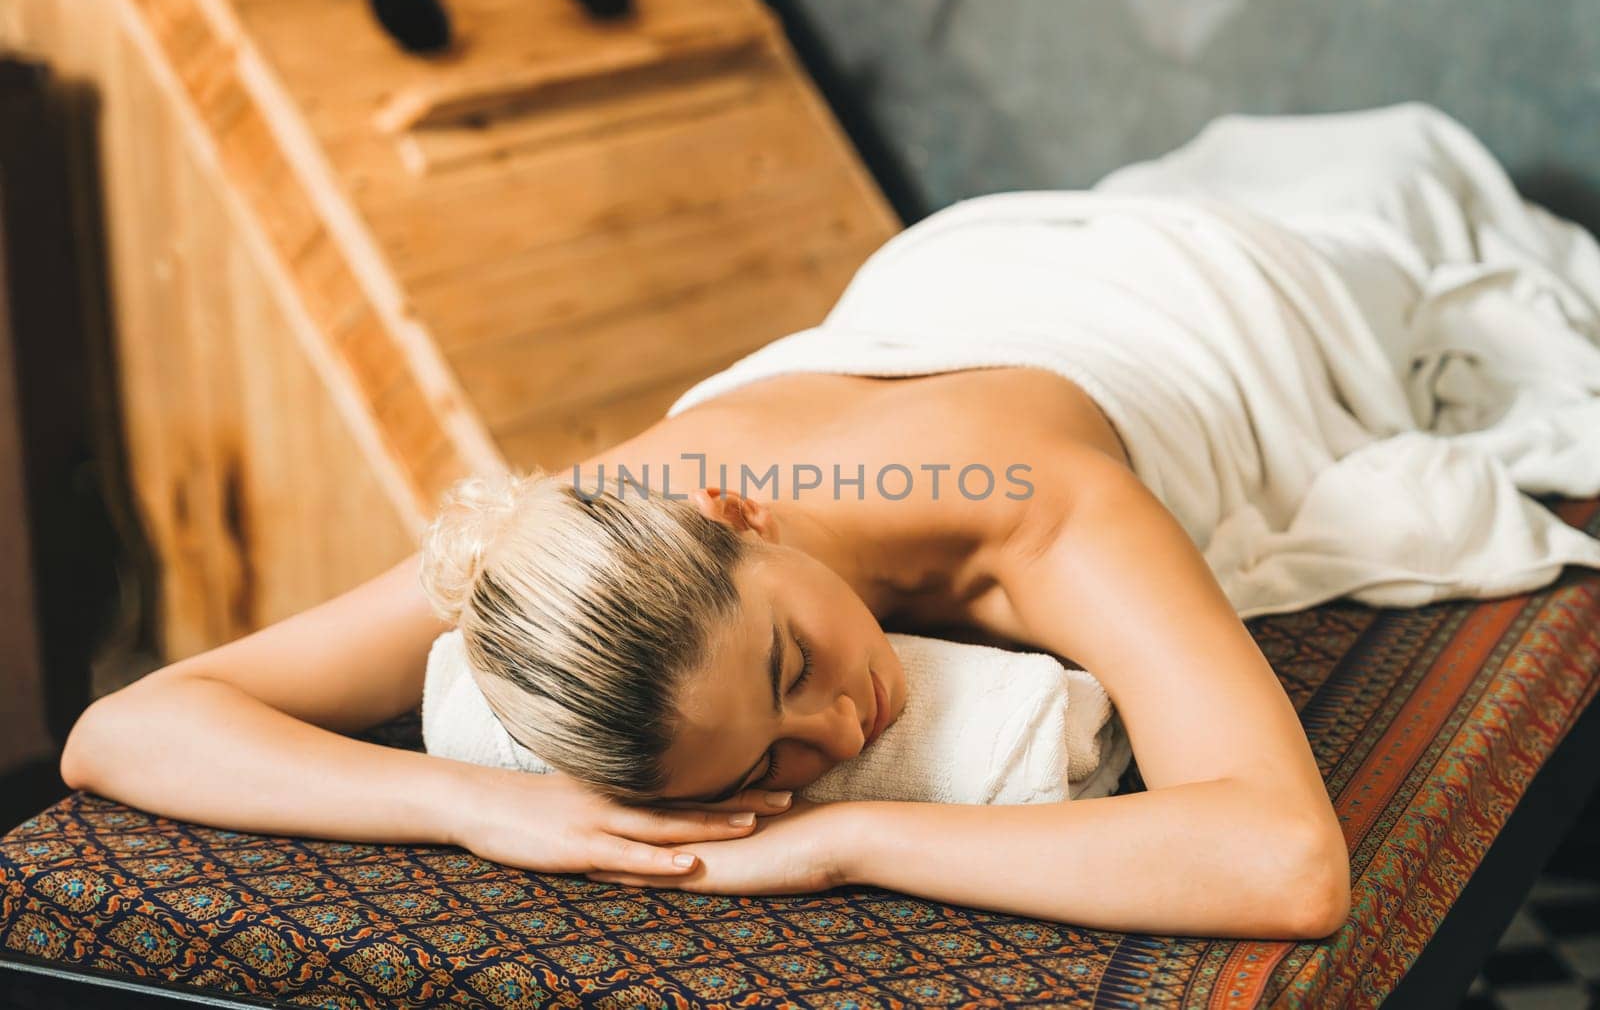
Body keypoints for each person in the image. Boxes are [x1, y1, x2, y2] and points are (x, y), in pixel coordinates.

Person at [58, 356, 1349, 941]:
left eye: (794, 666)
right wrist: (469, 808)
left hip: (1194, 303)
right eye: (767, 765)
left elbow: (1285, 862)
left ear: (732, 513)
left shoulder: (1033, 503)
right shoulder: (580, 551)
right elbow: (124, 728)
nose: (844, 735)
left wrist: (836, 838)